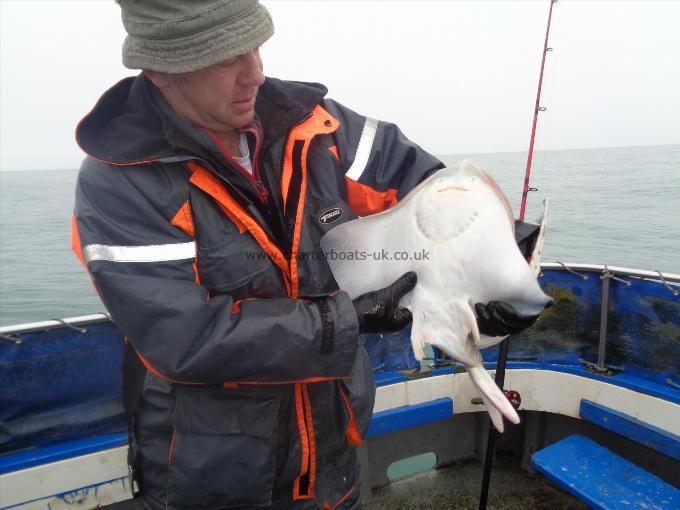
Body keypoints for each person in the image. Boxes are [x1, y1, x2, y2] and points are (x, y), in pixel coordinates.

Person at [71, 1, 538, 508]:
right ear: (162, 72)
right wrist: (346, 321)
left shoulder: (321, 127)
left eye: (256, 47)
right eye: (226, 60)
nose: (255, 73)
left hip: (335, 456)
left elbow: (431, 194)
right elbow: (185, 338)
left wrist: (498, 266)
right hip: (214, 476)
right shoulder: (119, 180)